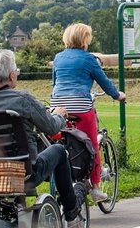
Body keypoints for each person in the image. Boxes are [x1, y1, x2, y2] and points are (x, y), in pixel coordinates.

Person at [0, 49, 84, 228]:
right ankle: (71, 211)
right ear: (12, 76)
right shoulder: (23, 100)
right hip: (24, 174)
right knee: (59, 151)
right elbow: (51, 127)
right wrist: (59, 115)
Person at [50, 23, 126, 203]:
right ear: (85, 40)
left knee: (61, 141)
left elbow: (55, 83)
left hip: (58, 106)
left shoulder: (58, 58)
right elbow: (104, 82)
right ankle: (96, 188)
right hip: (81, 107)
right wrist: (118, 95)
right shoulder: (89, 59)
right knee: (91, 145)